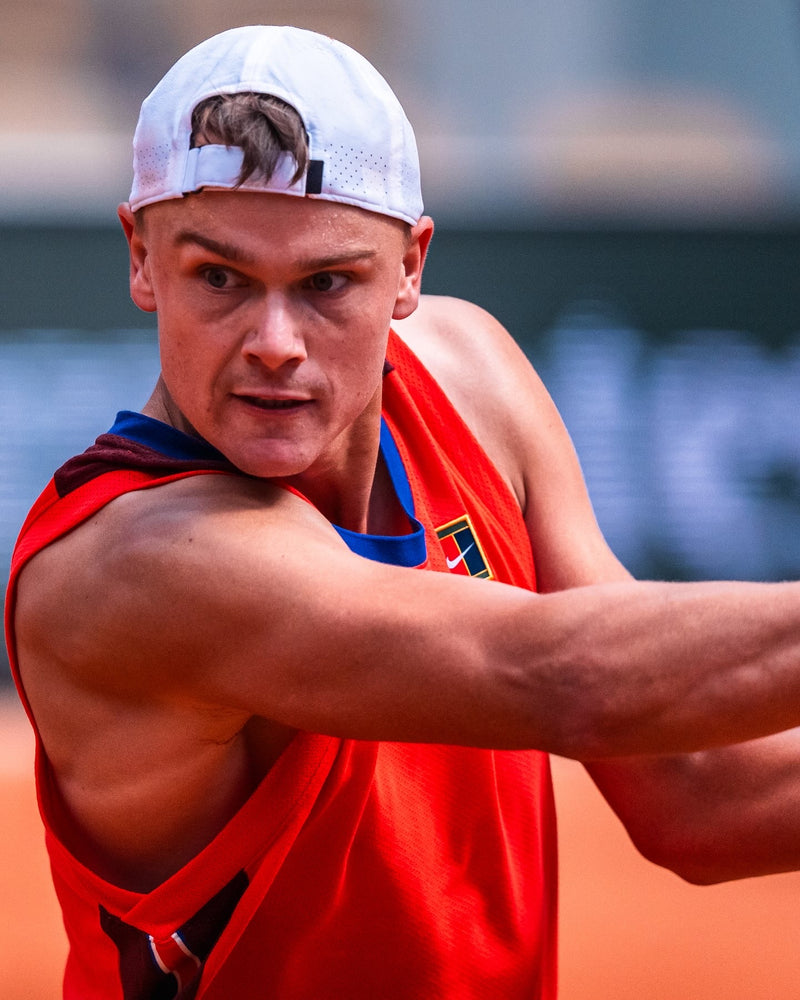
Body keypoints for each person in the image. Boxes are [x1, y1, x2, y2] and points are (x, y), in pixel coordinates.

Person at [5, 23, 800, 1000]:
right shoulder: (135, 562)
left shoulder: (473, 379)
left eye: (326, 283)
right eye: (220, 278)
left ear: (410, 268)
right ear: (141, 258)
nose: (274, 342)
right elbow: (560, 676)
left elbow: (697, 797)